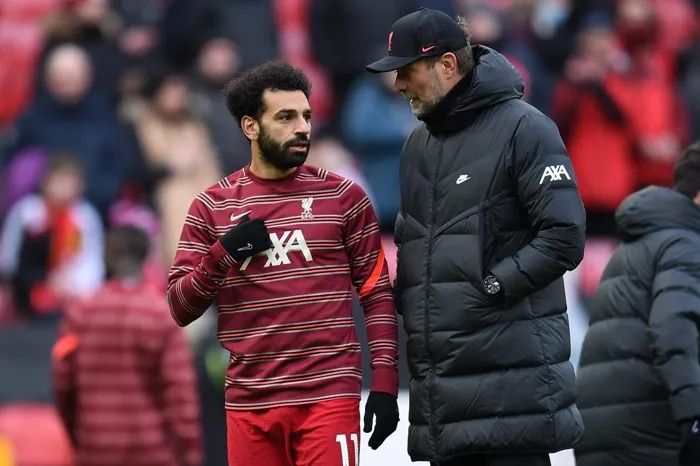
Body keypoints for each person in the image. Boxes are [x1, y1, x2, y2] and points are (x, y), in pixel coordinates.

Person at [366, 8, 586, 466]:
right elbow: (411, 241)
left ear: (447, 65)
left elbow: (564, 235)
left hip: (512, 401)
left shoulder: (526, 127)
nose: (398, 85)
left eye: (406, 71)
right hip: (443, 404)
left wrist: (493, 285)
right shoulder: (417, 145)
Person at [167, 61, 400, 466]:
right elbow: (179, 307)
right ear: (250, 126)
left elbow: (377, 295)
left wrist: (384, 381)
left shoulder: (344, 198)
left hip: (328, 396)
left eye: (306, 116)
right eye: (285, 117)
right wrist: (223, 254)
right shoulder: (212, 207)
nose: (302, 128)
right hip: (251, 403)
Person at [575, 141, 700, 466]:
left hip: (606, 437)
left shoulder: (640, 244)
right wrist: (695, 421)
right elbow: (674, 331)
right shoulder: (685, 245)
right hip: (655, 437)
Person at [51, 225, 203, 466]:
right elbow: (181, 396)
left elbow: (63, 383)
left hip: (96, 451)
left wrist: (78, 436)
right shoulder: (161, 315)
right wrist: (190, 455)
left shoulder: (80, 313)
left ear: (106, 257)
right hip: (153, 454)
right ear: (146, 258)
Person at [0, 154, 104, 318]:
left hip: (71, 292)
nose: (63, 188)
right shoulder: (27, 212)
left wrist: (74, 285)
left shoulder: (85, 217)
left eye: (69, 182)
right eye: (59, 181)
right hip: (26, 288)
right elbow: (8, 255)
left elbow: (91, 259)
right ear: (45, 182)